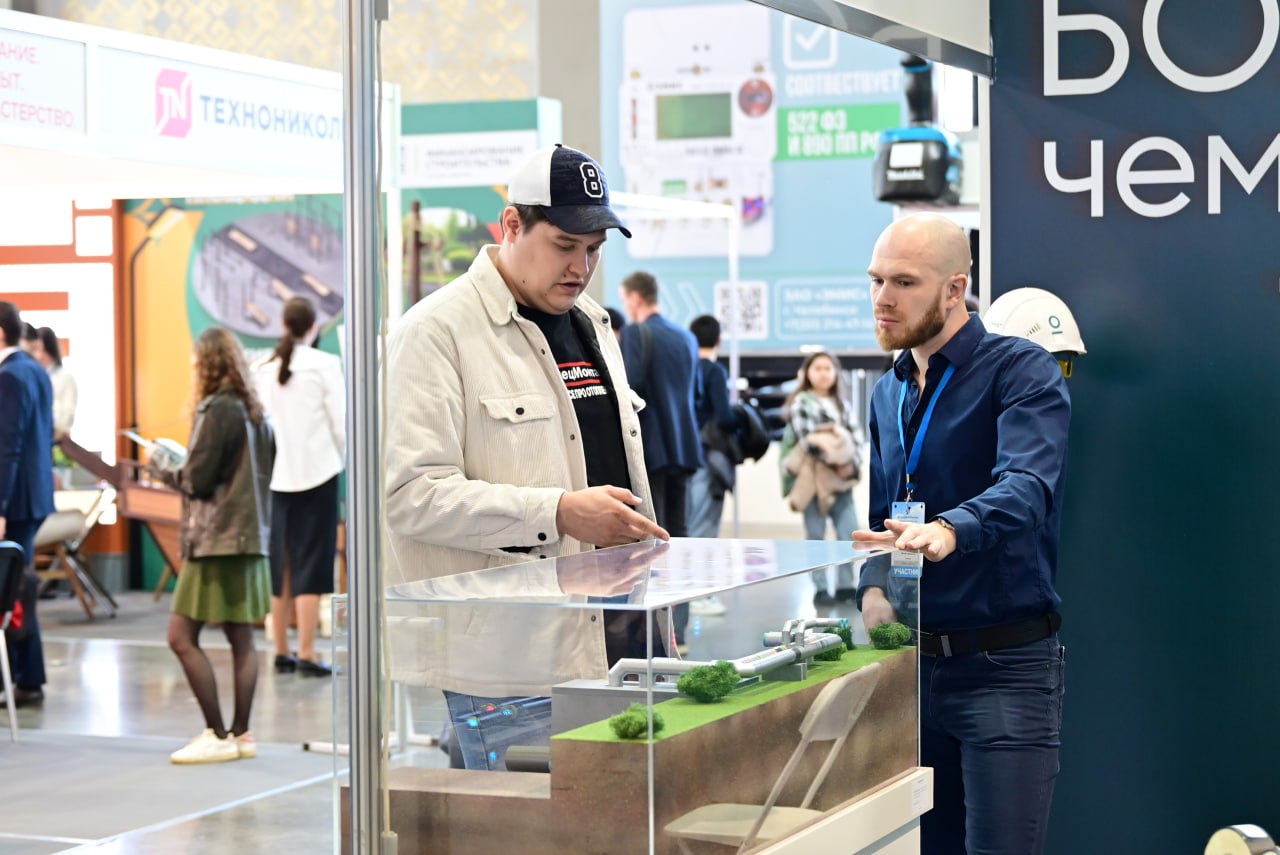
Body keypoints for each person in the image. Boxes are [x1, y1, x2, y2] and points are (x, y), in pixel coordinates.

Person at [382, 143, 668, 772]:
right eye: (564, 245)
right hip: (513, 657)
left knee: (616, 812)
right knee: (526, 818)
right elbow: (409, 496)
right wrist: (557, 513)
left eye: (594, 249)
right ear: (511, 225)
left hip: (620, 632)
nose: (581, 266)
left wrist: (655, 608)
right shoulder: (436, 334)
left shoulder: (593, 323)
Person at [852, 213, 1071, 855]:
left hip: (1003, 668)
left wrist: (952, 528)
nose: (883, 298)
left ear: (955, 289)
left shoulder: (1021, 371)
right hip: (914, 671)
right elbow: (883, 518)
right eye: (875, 280)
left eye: (904, 282)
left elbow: (1029, 484)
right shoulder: (886, 392)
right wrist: (873, 588)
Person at [154, 327, 275, 765]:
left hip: (216, 541)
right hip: (251, 538)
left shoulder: (216, 409)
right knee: (242, 639)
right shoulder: (258, 415)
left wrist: (162, 465)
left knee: (180, 637)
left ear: (205, 364)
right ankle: (241, 734)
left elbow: (198, 481)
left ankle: (216, 733)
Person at [253, 296, 344, 677]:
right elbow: (341, 424)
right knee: (313, 566)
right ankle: (307, 652)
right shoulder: (325, 364)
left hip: (276, 481)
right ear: (313, 327)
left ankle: (281, 650)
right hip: (318, 476)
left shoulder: (264, 368)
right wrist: (347, 461)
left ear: (282, 324)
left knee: (281, 566)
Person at [618, 270, 701, 643]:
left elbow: (630, 389)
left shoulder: (636, 333)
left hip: (651, 449)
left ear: (635, 298)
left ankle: (655, 629)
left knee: (651, 539)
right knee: (679, 539)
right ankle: (678, 628)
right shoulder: (686, 337)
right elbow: (694, 392)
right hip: (684, 447)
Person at [0, 301, 54, 708]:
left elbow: (9, 447)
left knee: (12, 590)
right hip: (32, 496)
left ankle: (21, 678)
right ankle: (27, 678)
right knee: (19, 587)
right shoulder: (35, 369)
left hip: (14, 501)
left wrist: (0, 505)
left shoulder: (10, 376)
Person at [781, 350, 863, 605]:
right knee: (815, 537)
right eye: (817, 368)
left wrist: (850, 464)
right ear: (807, 373)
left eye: (828, 368)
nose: (823, 373)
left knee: (849, 533)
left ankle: (846, 586)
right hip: (814, 481)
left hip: (842, 482)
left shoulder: (843, 405)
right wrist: (838, 458)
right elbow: (808, 441)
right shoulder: (801, 403)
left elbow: (857, 440)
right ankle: (820, 588)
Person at [27, 327, 77, 440]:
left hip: (54, 439)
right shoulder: (32, 378)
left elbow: (67, 417)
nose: (38, 356)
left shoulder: (65, 378)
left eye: (42, 350)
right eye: (34, 350)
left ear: (51, 350)